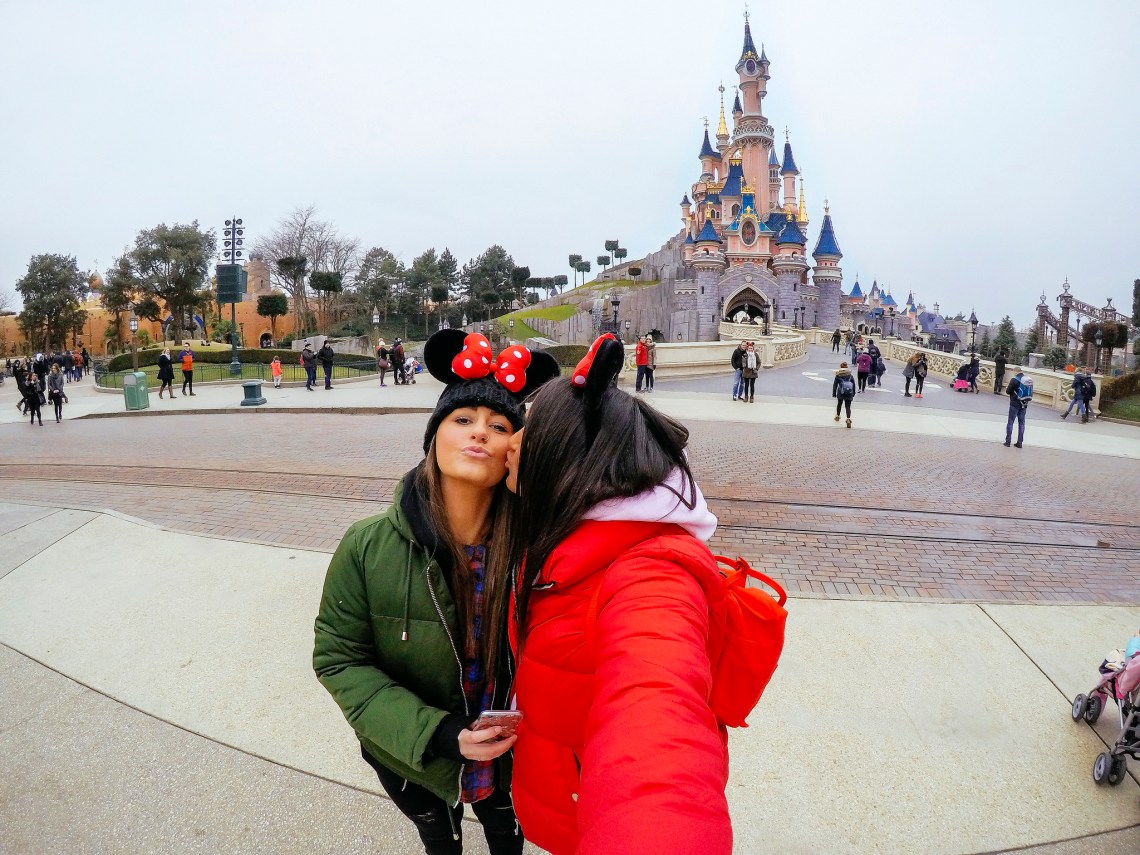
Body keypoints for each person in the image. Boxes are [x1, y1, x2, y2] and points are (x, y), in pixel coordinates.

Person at [313, 329, 558, 855]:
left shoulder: (539, 551)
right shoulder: (367, 545)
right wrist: (443, 735)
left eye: (499, 426)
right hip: (416, 756)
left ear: (514, 453)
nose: (479, 434)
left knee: (507, 833)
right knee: (439, 840)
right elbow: (340, 662)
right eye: (462, 420)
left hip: (516, 752)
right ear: (435, 436)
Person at [502, 333, 732, 855]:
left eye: (529, 429)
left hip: (587, 816)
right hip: (562, 795)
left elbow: (657, 740)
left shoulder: (653, 576)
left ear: (572, 453)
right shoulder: (563, 539)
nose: (509, 443)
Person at [1004, 369, 1029, 448]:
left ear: (1015, 371)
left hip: (1014, 404)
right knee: (1021, 423)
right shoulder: (1027, 380)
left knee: (1010, 422)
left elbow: (1008, 391)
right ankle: (1019, 443)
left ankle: (1008, 442)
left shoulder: (1014, 380)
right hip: (1024, 404)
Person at [833, 361, 856, 428]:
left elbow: (835, 385)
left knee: (839, 404)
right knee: (848, 406)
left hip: (841, 392)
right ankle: (848, 419)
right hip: (849, 393)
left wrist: (834, 393)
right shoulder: (850, 375)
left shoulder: (838, 375)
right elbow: (853, 385)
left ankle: (837, 416)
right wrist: (853, 393)